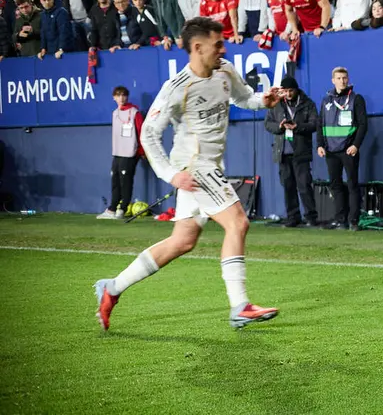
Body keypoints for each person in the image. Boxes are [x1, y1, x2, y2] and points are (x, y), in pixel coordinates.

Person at [94, 17, 283, 331]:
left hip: (209, 169)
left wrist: (263, 100)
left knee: (181, 241)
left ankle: (111, 288)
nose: (223, 48)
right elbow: (149, 135)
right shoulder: (176, 89)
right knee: (238, 222)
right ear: (197, 47)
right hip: (194, 170)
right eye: (217, 44)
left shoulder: (224, 70)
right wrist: (171, 174)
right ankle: (240, 306)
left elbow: (242, 97)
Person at [265, 75, 319, 228]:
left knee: (304, 186)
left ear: (296, 90)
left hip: (300, 152)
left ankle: (311, 217)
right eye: (286, 91)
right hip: (283, 152)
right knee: (288, 186)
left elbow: (315, 124)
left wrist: (298, 126)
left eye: (291, 91)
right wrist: (280, 127)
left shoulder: (307, 104)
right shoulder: (277, 105)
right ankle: (293, 217)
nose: (288, 94)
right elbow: (268, 124)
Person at [318, 67, 368, 231]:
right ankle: (341, 220)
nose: (342, 81)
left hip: (348, 149)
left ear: (348, 79)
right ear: (333, 80)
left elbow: (363, 124)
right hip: (331, 150)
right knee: (336, 185)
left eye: (344, 78)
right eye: (339, 78)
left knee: (352, 184)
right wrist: (320, 144)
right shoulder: (326, 100)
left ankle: (353, 221)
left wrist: (356, 145)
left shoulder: (356, 99)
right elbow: (320, 124)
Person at [99, 86, 145, 219]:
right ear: (114, 98)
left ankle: (122, 209)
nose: (121, 98)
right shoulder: (115, 113)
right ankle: (112, 209)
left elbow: (141, 132)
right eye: (118, 95)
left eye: (124, 95)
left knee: (126, 181)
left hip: (130, 153)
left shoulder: (135, 112)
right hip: (117, 152)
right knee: (115, 180)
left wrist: (141, 151)